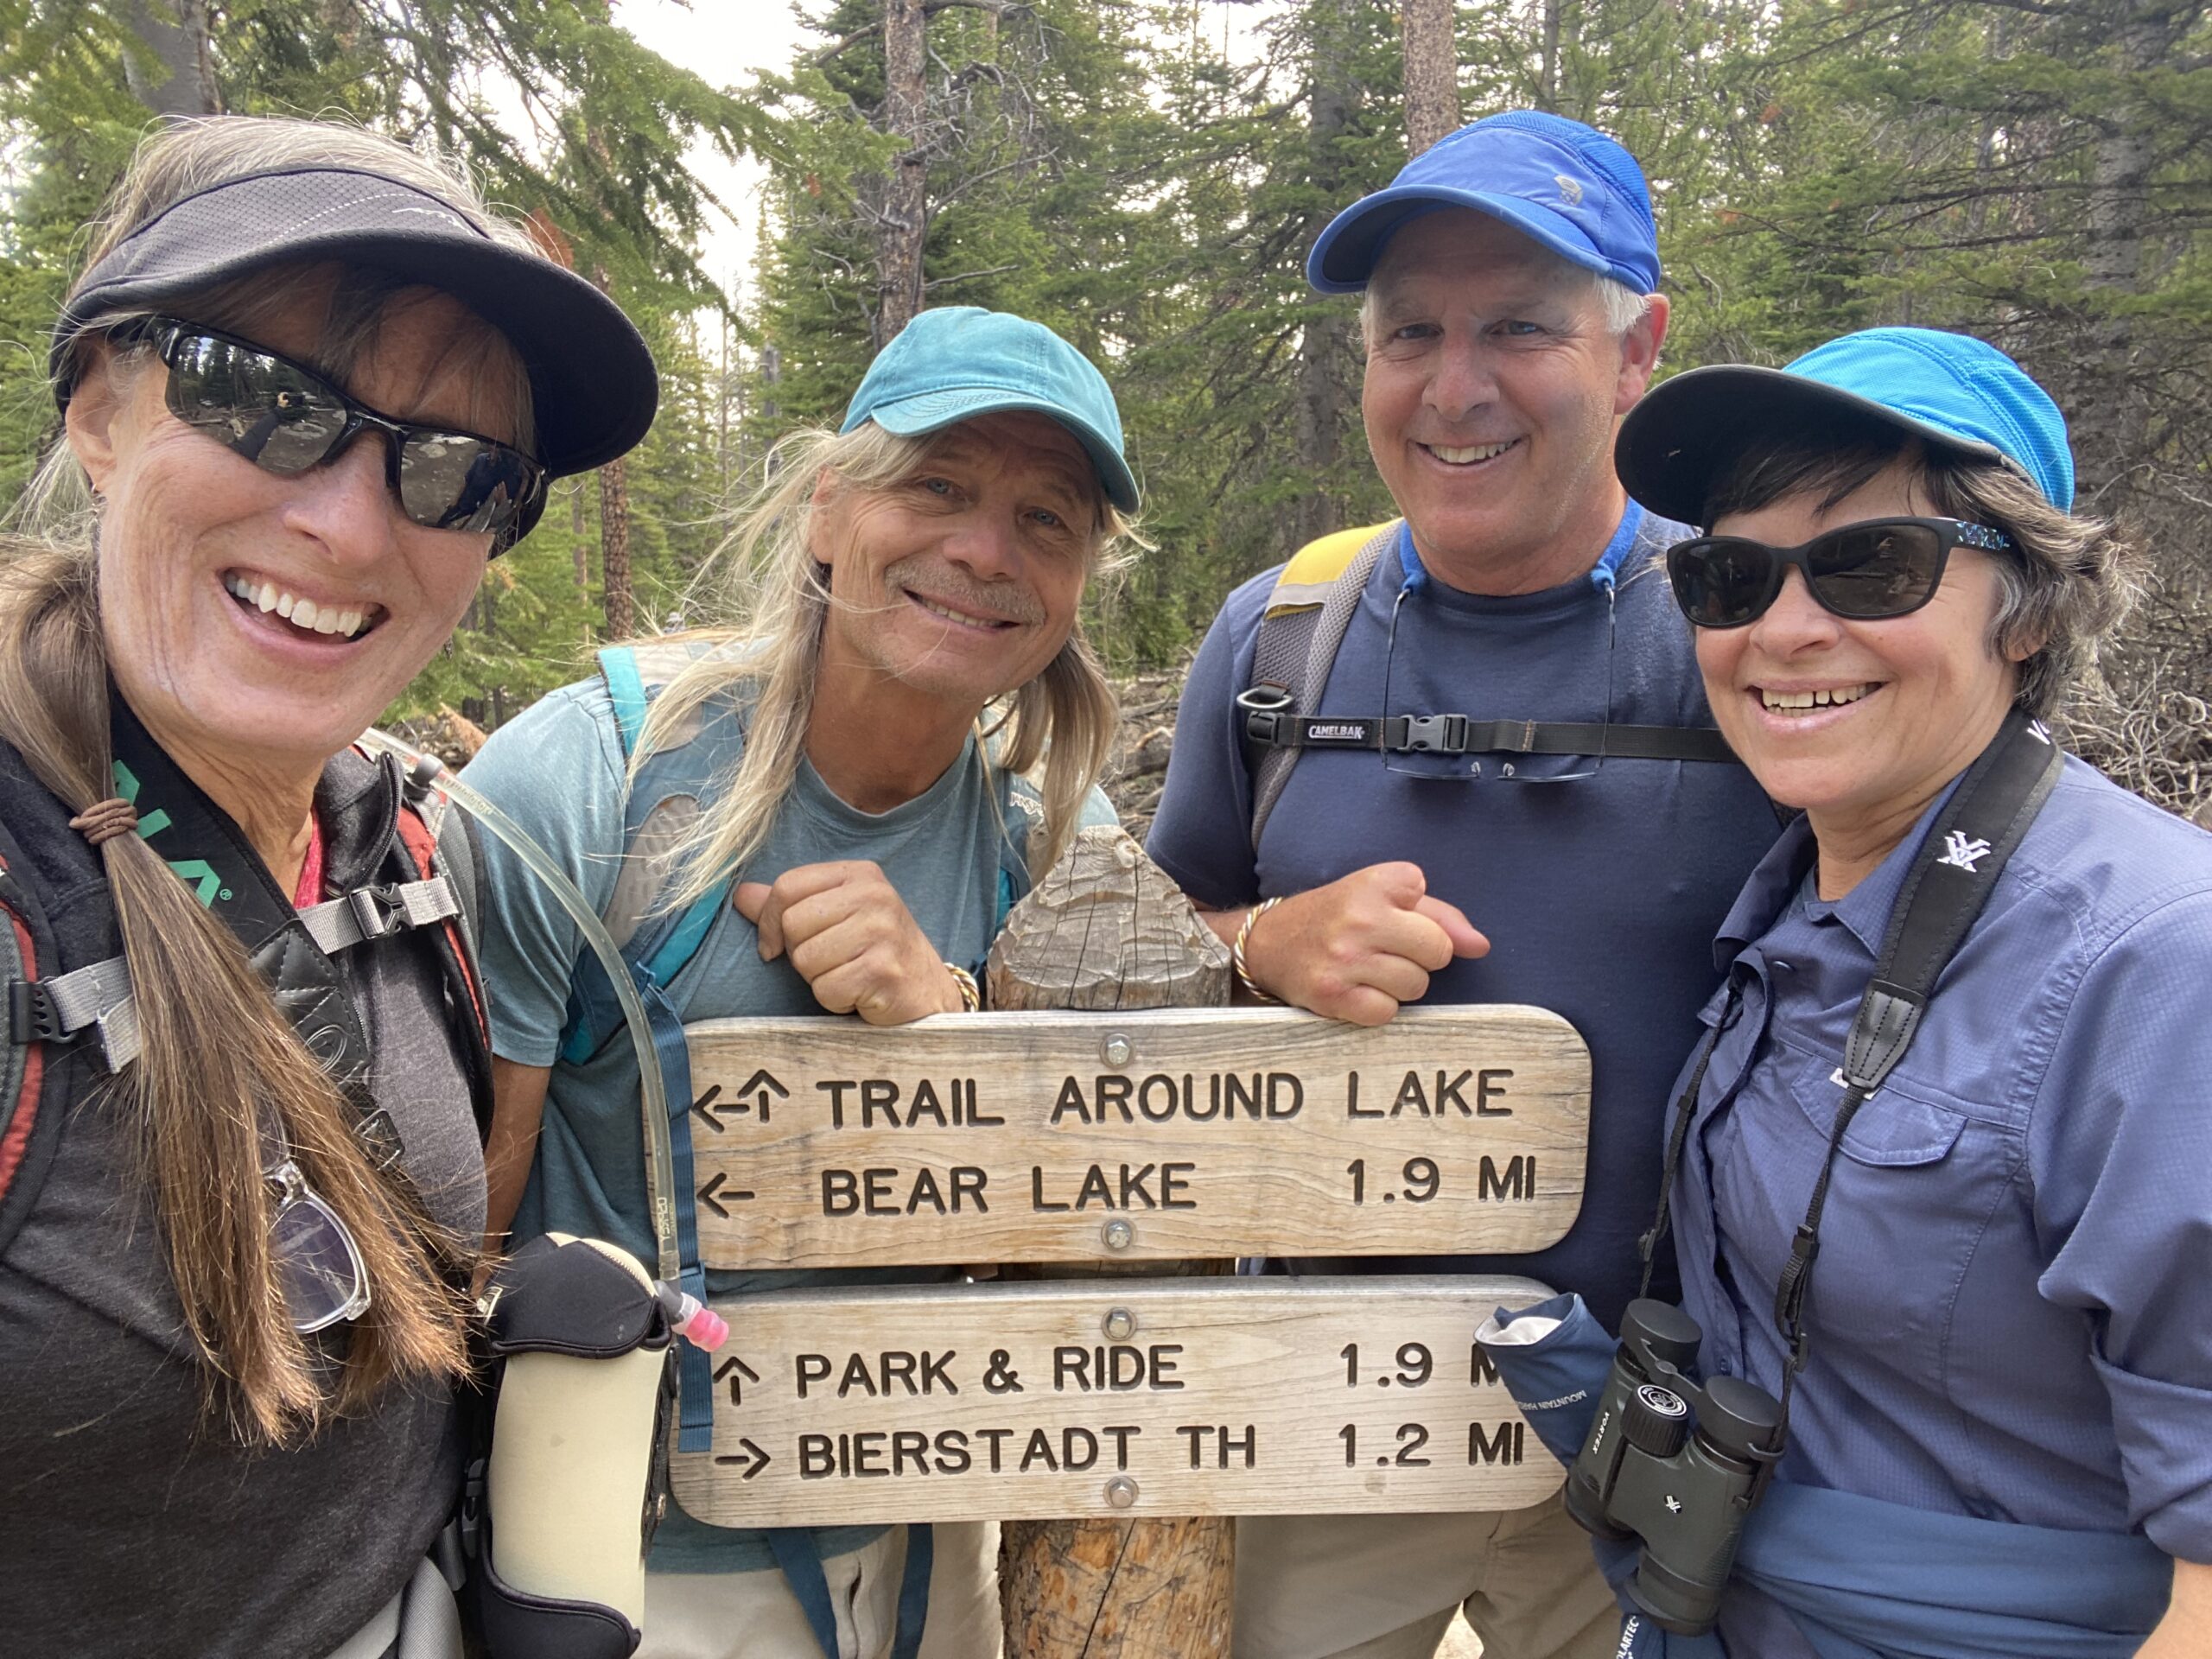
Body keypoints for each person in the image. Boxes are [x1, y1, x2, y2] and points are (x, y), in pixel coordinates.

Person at [0, 118, 656, 1659]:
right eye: (266, 401)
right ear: (101, 405)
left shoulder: (403, 841)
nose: (356, 523)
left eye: (456, 471)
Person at [1146, 112, 1780, 1659]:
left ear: (1639, 352)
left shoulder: (1756, 626)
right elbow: (1131, 962)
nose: (1455, 385)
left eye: (1519, 327)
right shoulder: (1280, 635)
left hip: (1667, 1417)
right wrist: (1259, 945)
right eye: (1409, 332)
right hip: (1330, 1409)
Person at [461, 304, 1137, 1659]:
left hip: (925, 1521)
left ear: (1073, 587)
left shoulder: (1060, 842)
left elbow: (1119, 1213)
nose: (984, 549)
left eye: (1044, 518)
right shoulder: (589, 784)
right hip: (633, 1553)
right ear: (830, 507)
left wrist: (951, 1024)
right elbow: (457, 1225)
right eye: (937, 485)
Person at [1601, 327, 2212, 1655]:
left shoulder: (2160, 966)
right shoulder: (1792, 899)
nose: (1786, 626)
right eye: (1730, 575)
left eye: (1873, 563)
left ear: (2037, 605)